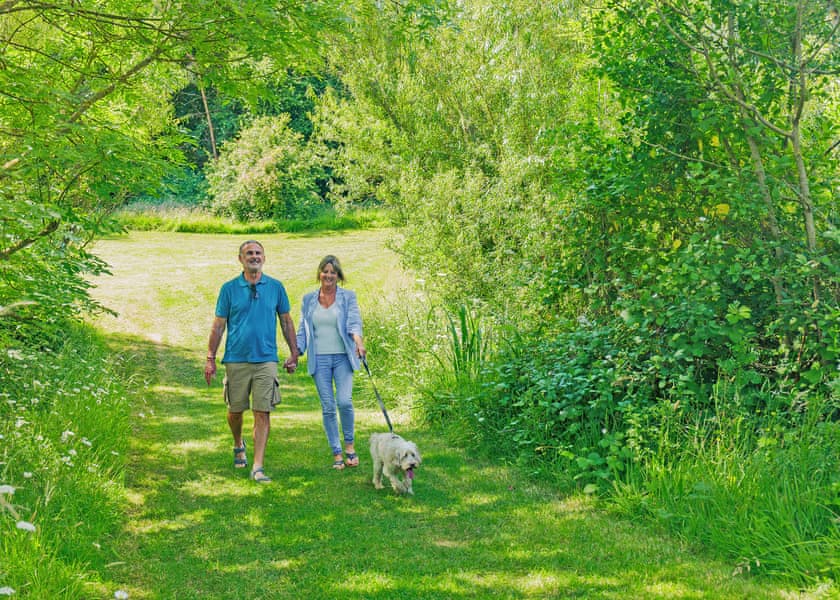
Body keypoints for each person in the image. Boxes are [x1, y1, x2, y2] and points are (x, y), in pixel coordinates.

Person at [204, 240, 299, 483]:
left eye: (258, 253)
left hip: (266, 359)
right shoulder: (229, 289)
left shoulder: (276, 287)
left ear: (264, 258)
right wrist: (210, 358)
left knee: (262, 412)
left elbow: (286, 321)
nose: (254, 257)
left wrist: (294, 353)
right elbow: (219, 325)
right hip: (236, 359)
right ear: (240, 259)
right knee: (235, 411)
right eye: (249, 253)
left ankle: (257, 466)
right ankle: (238, 443)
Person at [296, 255, 366, 470]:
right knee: (328, 407)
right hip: (320, 360)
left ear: (338, 276)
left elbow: (354, 322)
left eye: (333, 272)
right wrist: (295, 352)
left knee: (344, 402)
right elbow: (303, 331)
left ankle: (350, 446)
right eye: (325, 271)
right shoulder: (308, 299)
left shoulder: (348, 297)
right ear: (320, 274)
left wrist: (358, 342)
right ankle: (337, 452)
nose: (328, 275)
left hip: (343, 357)